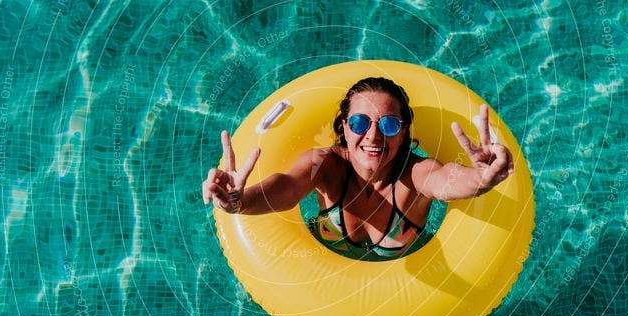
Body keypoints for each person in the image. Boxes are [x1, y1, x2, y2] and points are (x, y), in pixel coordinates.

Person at [202, 77, 514, 259]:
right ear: (344, 127)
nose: (373, 135)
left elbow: (447, 181)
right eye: (360, 122)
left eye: (390, 124)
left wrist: (484, 178)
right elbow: (286, 188)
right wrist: (237, 202)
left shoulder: (416, 174)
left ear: (404, 131)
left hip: (399, 308)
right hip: (322, 292)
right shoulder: (323, 166)